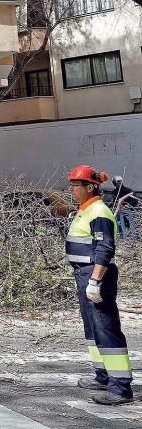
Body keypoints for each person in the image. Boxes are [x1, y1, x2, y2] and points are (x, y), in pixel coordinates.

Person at [66, 164, 134, 405]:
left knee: (106, 329)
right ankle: (103, 376)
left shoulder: (99, 213)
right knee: (93, 329)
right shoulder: (85, 210)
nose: (72, 189)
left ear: (90, 187)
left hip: (96, 276)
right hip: (83, 274)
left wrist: (95, 281)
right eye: (72, 185)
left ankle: (120, 388)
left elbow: (104, 249)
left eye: (76, 185)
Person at [112, 175, 139, 240]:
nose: (119, 183)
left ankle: (134, 237)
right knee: (119, 223)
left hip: (129, 211)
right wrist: (116, 205)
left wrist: (128, 205)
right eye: (117, 182)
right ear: (115, 183)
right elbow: (114, 201)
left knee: (131, 223)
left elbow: (135, 200)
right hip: (120, 211)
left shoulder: (129, 190)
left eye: (120, 181)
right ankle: (121, 236)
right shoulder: (114, 192)